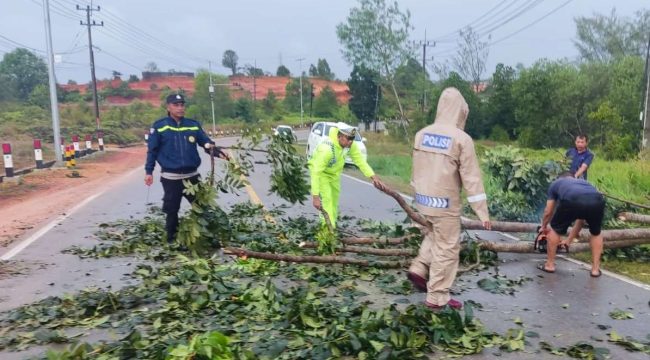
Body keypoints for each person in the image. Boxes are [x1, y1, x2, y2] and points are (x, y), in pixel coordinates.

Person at [407, 87, 491, 310]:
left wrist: (415, 195)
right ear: (460, 111)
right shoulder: (461, 139)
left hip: (423, 200)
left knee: (434, 235)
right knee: (447, 247)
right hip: (445, 204)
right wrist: (482, 211)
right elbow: (471, 178)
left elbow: (416, 169)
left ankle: (419, 266)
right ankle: (437, 296)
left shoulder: (422, 134)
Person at [145, 93, 228, 243]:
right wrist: (148, 171)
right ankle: (172, 240)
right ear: (168, 107)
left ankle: (208, 238)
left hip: (192, 177)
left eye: (182, 105)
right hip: (171, 178)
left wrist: (216, 151)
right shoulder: (160, 127)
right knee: (172, 210)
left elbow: (206, 143)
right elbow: (152, 151)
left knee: (202, 208)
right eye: (176, 105)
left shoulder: (193, 125)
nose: (180, 108)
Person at [308, 122, 385, 228]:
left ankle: (332, 227)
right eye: (348, 138)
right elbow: (316, 173)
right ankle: (327, 233)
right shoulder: (327, 149)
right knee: (327, 202)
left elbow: (360, 161)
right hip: (322, 175)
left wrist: (373, 177)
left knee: (334, 204)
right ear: (339, 136)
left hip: (334, 175)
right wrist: (315, 196)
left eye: (352, 139)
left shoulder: (349, 145)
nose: (350, 142)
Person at [538, 171, 605, 277]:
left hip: (572, 199)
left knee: (555, 230)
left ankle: (549, 265)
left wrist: (543, 226)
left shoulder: (556, 183)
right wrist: (568, 241)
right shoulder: (583, 183)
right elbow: (581, 220)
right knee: (596, 233)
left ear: (559, 178)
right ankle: (595, 270)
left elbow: (548, 211)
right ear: (573, 177)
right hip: (597, 200)